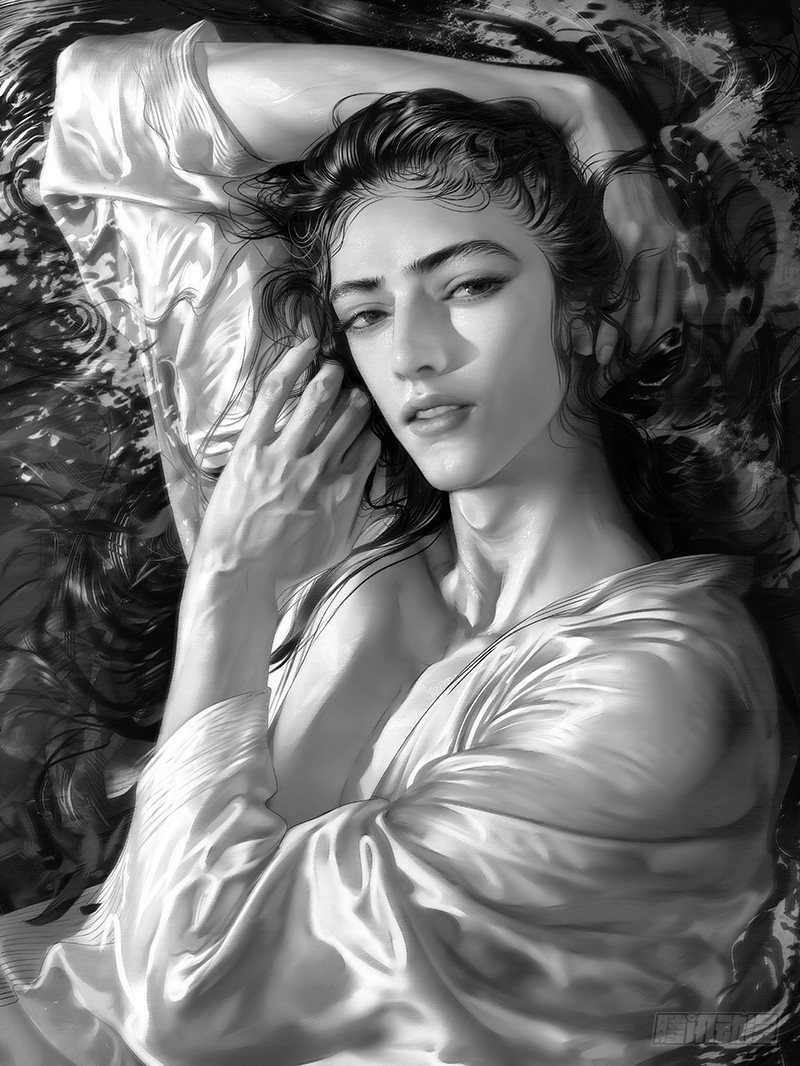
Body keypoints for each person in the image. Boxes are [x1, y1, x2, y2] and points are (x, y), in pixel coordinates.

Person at [0, 16, 794, 1066]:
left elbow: (192, 998)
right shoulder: (324, 501)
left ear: (587, 312)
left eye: (469, 286)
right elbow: (115, 111)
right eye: (367, 312)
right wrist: (574, 110)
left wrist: (231, 588)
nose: (413, 354)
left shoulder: (656, 691)